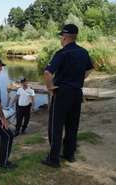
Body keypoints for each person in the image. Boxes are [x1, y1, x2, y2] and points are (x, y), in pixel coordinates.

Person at [42, 24, 93, 168]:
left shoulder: (61, 53)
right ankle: (69, 154)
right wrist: (78, 79)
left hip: (62, 93)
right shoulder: (83, 52)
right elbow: (89, 69)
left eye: (61, 37)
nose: (61, 39)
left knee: (55, 126)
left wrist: (51, 88)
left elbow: (47, 73)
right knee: (72, 125)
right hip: (77, 92)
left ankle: (53, 159)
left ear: (64, 37)